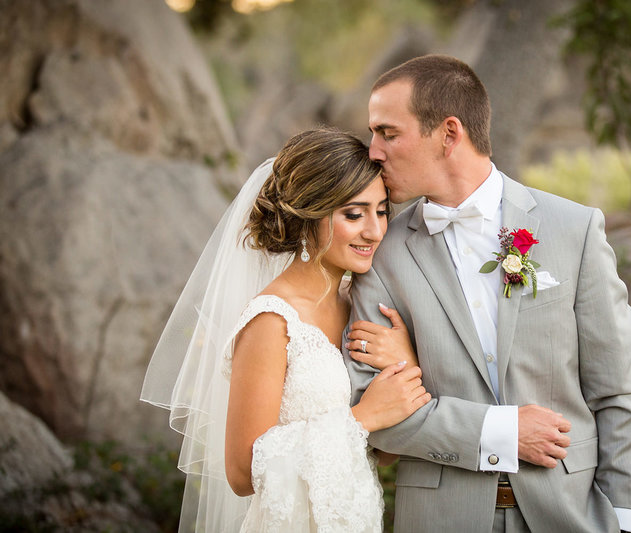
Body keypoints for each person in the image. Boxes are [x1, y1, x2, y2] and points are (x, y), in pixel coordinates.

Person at [343, 54, 631, 533]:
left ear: (449, 134)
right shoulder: (379, 253)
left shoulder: (574, 229)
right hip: (441, 519)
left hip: (575, 516)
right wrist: (502, 433)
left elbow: (618, 391)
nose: (373, 151)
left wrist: (626, 518)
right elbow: (374, 415)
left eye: (388, 132)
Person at [141, 128, 430, 532]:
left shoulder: (360, 304)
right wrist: (360, 419)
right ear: (309, 213)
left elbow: (381, 454)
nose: (375, 231)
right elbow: (242, 473)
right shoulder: (272, 320)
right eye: (353, 213)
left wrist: (404, 362)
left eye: (381, 211)